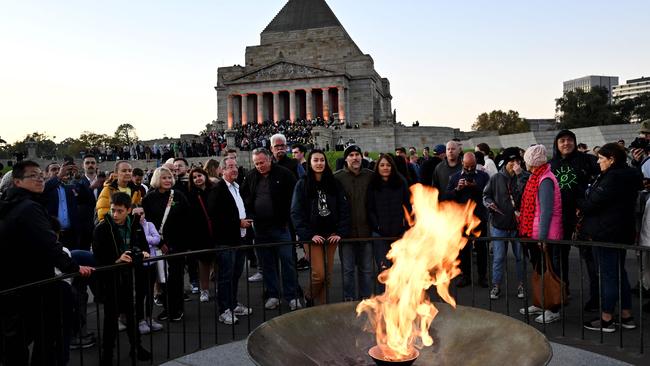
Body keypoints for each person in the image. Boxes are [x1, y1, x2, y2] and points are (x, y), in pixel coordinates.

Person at [0, 160, 93, 366]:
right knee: (45, 339)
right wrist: (74, 268)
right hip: (32, 286)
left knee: (15, 344)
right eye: (33, 175)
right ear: (16, 181)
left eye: (40, 174)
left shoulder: (11, 206)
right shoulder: (29, 208)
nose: (40, 178)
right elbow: (48, 244)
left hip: (14, 286)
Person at [579, 143, 643, 332]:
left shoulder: (612, 177)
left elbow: (591, 204)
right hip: (621, 231)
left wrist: (580, 199)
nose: (598, 162)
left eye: (601, 158)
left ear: (612, 159)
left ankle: (606, 318)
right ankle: (626, 314)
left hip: (606, 233)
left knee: (608, 275)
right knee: (619, 273)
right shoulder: (631, 174)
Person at [93, 192, 152, 365]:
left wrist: (143, 253)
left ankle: (137, 348)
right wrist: (116, 260)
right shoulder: (102, 228)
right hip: (111, 279)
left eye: (120, 211)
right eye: (113, 210)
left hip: (132, 277)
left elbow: (143, 245)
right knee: (110, 318)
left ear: (128, 210)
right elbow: (98, 256)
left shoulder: (135, 225)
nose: (115, 215)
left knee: (133, 316)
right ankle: (107, 355)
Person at [241, 148, 301, 310]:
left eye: (262, 162)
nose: (259, 166)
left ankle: (292, 296)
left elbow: (295, 199)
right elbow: (245, 198)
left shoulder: (285, 174)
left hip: (281, 227)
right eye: (256, 163)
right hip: (260, 228)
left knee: (287, 262)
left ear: (270, 159)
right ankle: (273, 295)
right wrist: (251, 215)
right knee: (267, 264)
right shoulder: (251, 176)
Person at [291, 150, 350, 306]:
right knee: (319, 274)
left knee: (328, 276)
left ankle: (322, 307)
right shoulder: (302, 184)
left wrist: (340, 232)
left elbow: (344, 208)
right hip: (312, 236)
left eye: (322, 160)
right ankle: (309, 296)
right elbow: (296, 212)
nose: (319, 163)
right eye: (315, 160)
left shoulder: (334, 183)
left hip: (331, 234)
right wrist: (308, 235)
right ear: (310, 163)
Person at [549, 129, 600, 310]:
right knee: (558, 259)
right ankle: (562, 292)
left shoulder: (588, 160)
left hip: (583, 218)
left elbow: (599, 182)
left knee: (590, 259)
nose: (566, 143)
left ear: (575, 142)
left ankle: (597, 298)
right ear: (556, 144)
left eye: (569, 140)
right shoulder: (551, 164)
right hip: (560, 218)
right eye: (562, 140)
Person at [517, 145, 564, 324]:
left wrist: (542, 237)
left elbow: (546, 212)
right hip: (535, 233)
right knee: (539, 269)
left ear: (532, 162)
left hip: (544, 235)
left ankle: (553, 308)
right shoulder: (537, 177)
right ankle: (540, 302)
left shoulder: (545, 180)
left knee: (548, 271)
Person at [142, 166, 190, 322]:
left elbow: (187, 219)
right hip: (157, 245)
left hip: (177, 244)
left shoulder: (179, 196)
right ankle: (168, 308)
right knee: (162, 279)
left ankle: (177, 309)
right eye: (164, 178)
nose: (168, 180)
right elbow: (147, 223)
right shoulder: (149, 198)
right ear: (157, 179)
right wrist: (160, 242)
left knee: (176, 277)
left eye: (169, 177)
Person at [208, 157, 253, 324]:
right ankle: (224, 309)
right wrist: (238, 222)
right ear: (222, 170)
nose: (234, 169)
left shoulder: (237, 187)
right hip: (226, 240)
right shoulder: (217, 189)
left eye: (236, 166)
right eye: (230, 167)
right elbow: (215, 216)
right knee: (225, 276)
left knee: (235, 275)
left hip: (240, 238)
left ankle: (233, 304)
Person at [483, 147, 529, 299]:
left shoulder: (523, 176)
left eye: (517, 161)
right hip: (499, 224)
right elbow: (486, 195)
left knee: (520, 257)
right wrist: (489, 203)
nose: (515, 164)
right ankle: (496, 286)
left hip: (518, 225)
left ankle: (521, 285)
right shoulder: (496, 178)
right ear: (506, 162)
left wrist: (520, 175)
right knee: (498, 257)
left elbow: (527, 194)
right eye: (512, 161)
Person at [334, 145, 374, 300]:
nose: (355, 157)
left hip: (366, 231)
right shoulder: (337, 177)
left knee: (367, 270)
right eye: (351, 155)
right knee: (348, 270)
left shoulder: (370, 175)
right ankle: (348, 300)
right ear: (346, 159)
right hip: (346, 233)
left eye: (357, 154)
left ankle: (367, 300)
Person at [367, 153, 410, 290]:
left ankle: (400, 301)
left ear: (392, 167)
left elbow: (407, 205)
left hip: (399, 232)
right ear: (377, 167)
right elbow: (370, 208)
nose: (385, 168)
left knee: (400, 268)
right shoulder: (373, 184)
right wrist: (377, 226)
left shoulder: (400, 181)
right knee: (384, 269)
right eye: (382, 165)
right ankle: (385, 301)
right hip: (380, 234)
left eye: (388, 165)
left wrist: (405, 226)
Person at [447, 152, 490, 288]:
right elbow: (447, 196)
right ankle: (465, 276)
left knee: (482, 248)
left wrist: (475, 187)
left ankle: (482, 277)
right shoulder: (454, 178)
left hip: (479, 218)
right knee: (463, 249)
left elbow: (487, 194)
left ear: (476, 163)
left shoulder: (483, 176)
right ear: (462, 164)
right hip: (461, 219)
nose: (470, 170)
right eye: (467, 167)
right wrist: (457, 189)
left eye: (472, 166)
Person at [187, 167, 215, 303]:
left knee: (218, 263)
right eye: (194, 177)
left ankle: (220, 289)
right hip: (201, 233)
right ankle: (204, 290)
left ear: (205, 175)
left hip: (216, 231)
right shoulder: (191, 194)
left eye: (199, 175)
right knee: (203, 263)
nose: (197, 178)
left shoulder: (215, 189)